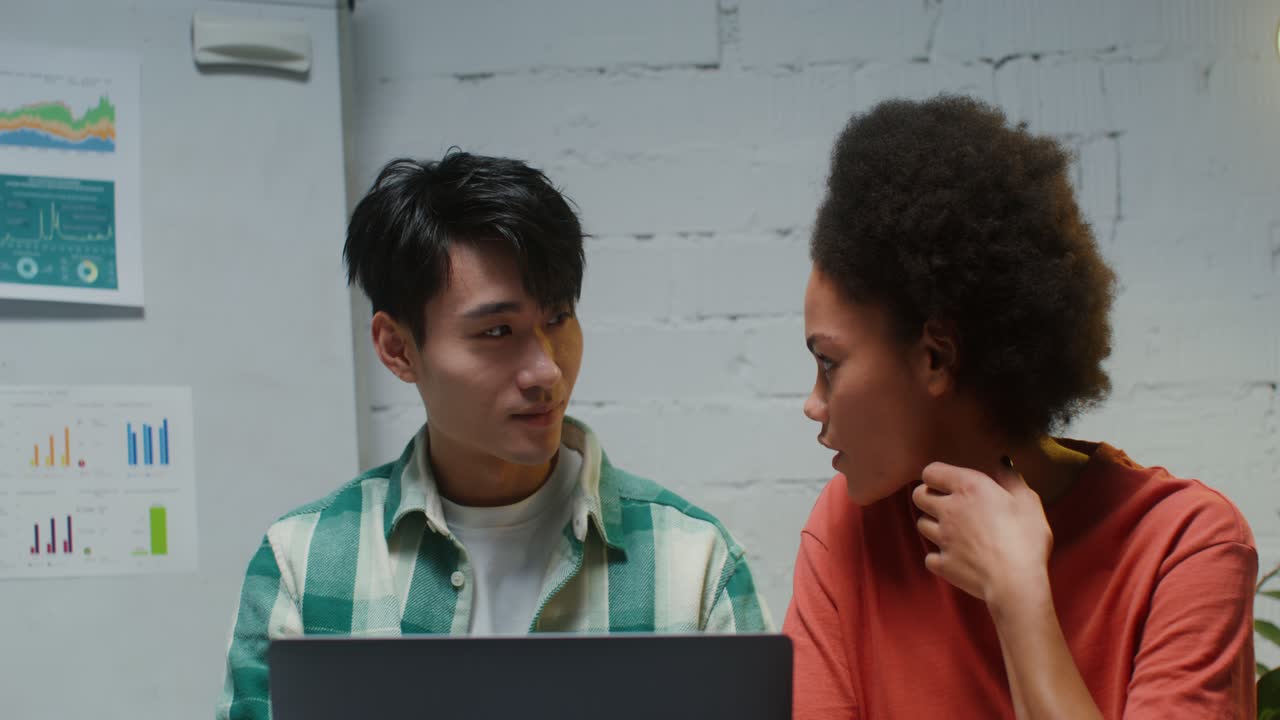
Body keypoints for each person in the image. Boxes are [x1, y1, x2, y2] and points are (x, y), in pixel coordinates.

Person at [217, 152, 771, 719]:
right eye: (498, 331)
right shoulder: (304, 564)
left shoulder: (693, 563)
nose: (547, 372)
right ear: (397, 348)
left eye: (558, 318)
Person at [783, 95, 1256, 719]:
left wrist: (1018, 595)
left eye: (829, 364)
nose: (812, 405)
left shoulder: (1186, 547)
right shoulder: (847, 532)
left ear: (935, 357)